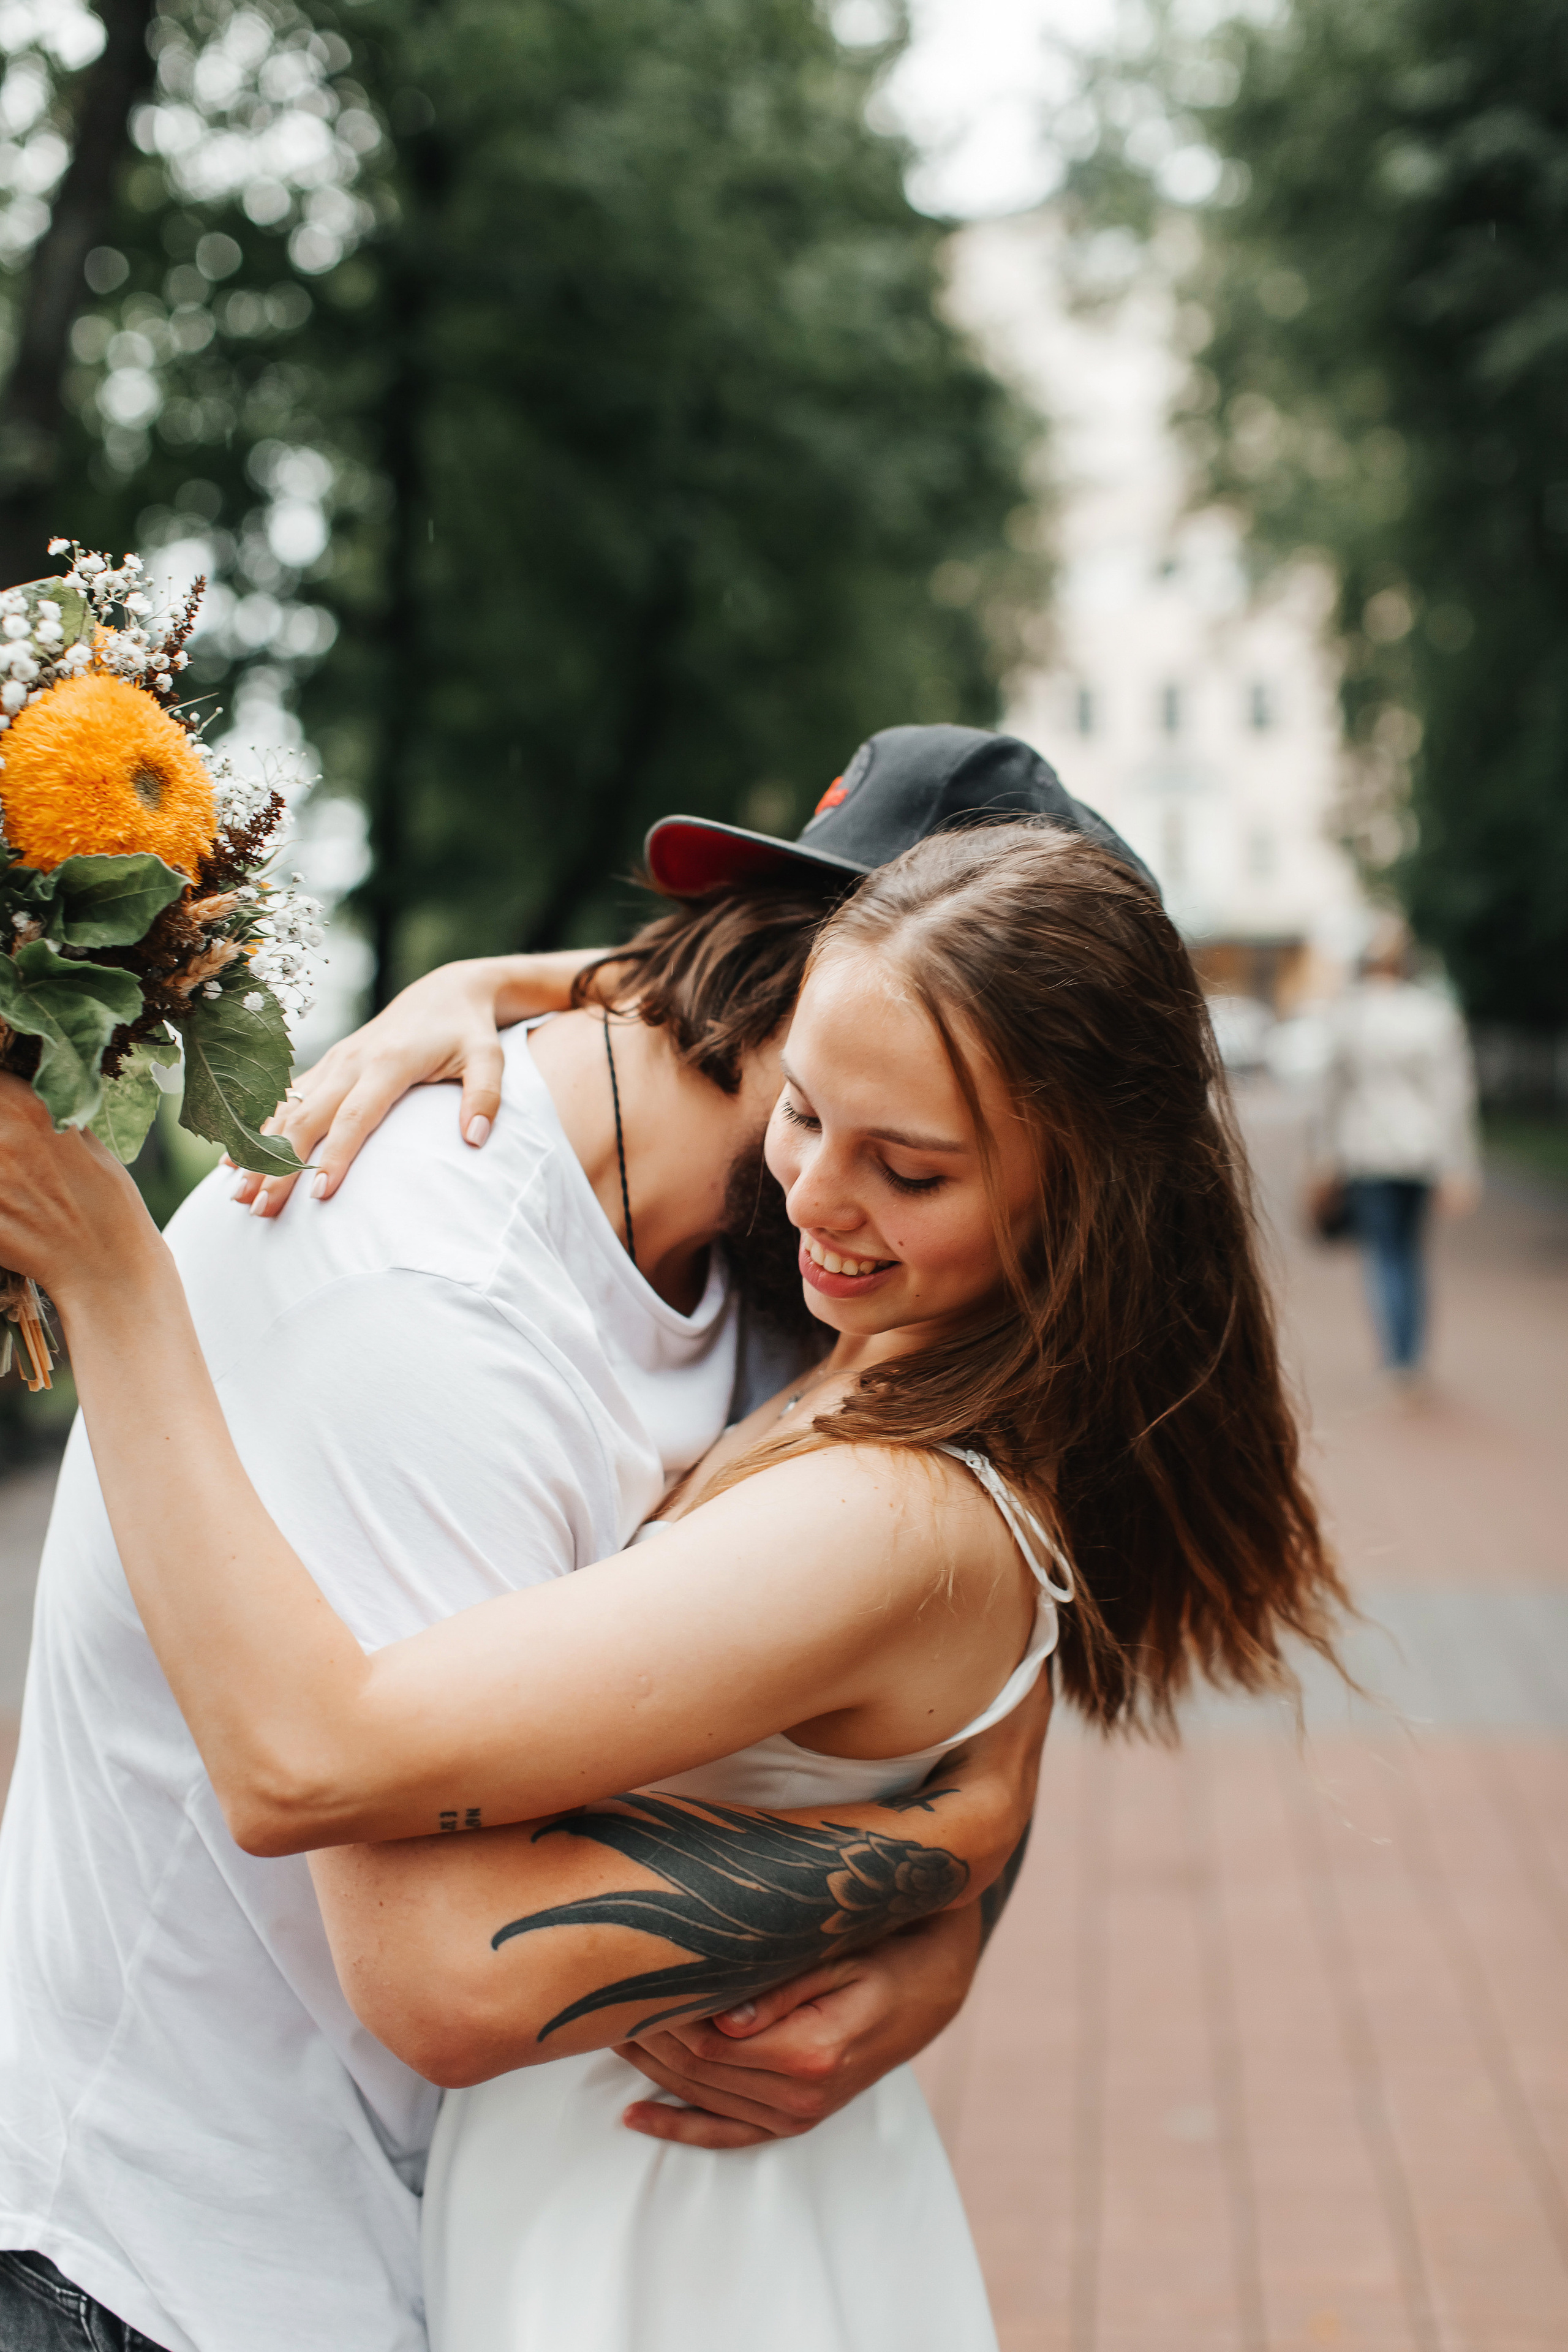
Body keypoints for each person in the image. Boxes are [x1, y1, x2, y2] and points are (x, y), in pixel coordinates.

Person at [0, 813, 1347, 2352]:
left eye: (907, 1166)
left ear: (1076, 1192)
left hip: (639, 2226)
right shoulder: (802, 1321)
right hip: (164, 2254)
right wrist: (498, 981)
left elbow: (319, 1775)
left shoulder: (892, 1482)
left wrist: (115, 1285)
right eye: (806, 1110)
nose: (818, 1194)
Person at [1315, 914, 1480, 1386]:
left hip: (1366, 1153)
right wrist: (1458, 1166)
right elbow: (1454, 1093)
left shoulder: (1350, 1014)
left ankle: (1397, 1359)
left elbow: (1330, 1095)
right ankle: (1411, 1356)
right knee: (1410, 1252)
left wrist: (1323, 1159)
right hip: (1420, 1153)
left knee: (1385, 1254)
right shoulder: (1433, 1014)